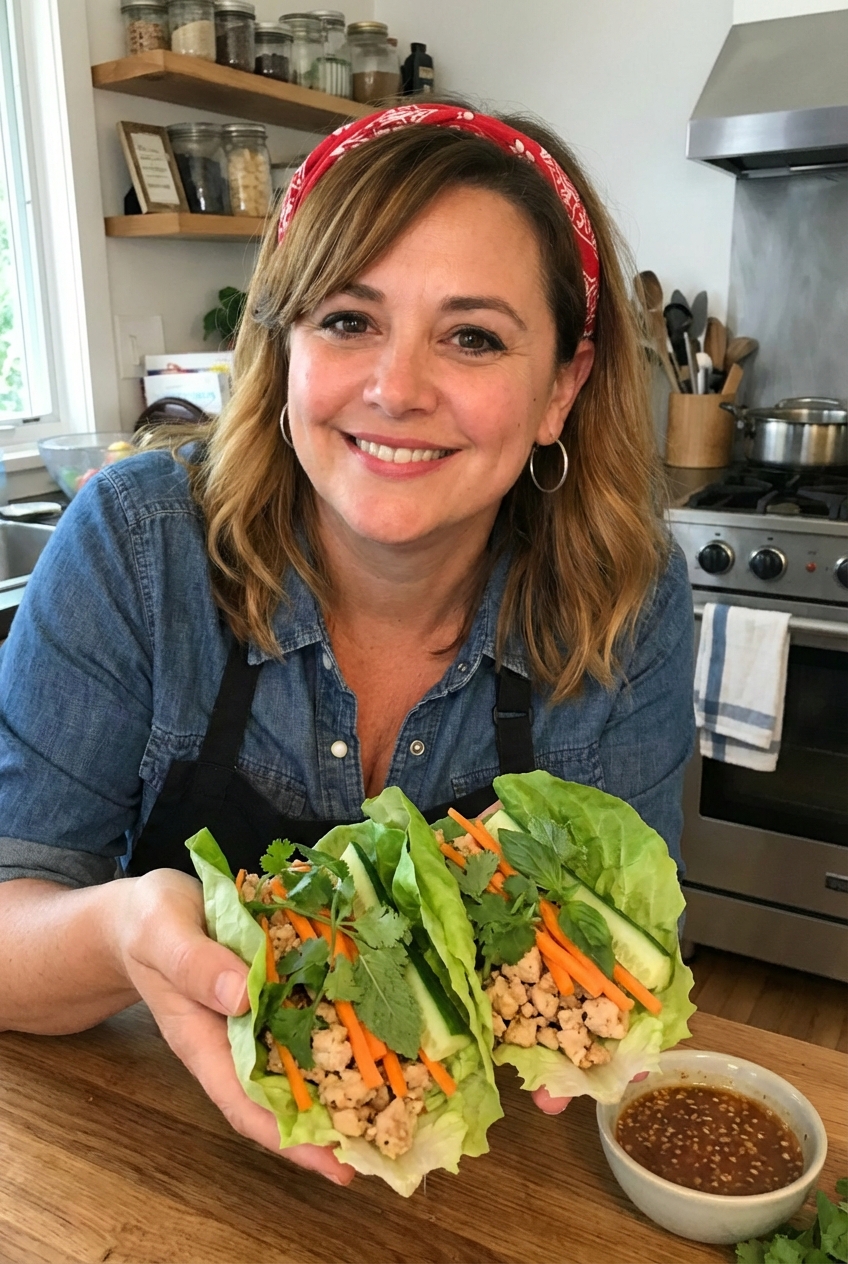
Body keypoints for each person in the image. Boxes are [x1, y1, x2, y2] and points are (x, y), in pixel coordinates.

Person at [0, 102, 694, 1182]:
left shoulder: (625, 601)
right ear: (281, 350)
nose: (396, 389)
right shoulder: (136, 550)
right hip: (146, 1161)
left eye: (472, 335)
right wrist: (116, 931)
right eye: (346, 319)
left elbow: (621, 954)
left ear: (560, 384)